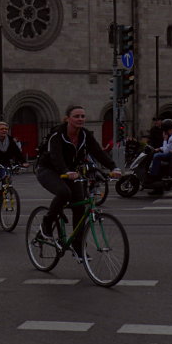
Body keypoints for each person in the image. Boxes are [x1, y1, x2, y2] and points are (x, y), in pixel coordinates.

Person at [35, 104, 119, 257]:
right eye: (76, 116)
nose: (80, 119)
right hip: (48, 170)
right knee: (63, 192)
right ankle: (47, 223)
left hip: (71, 172)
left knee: (80, 205)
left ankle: (77, 245)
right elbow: (56, 157)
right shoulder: (57, 134)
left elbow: (98, 152)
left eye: (82, 116)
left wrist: (113, 167)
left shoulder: (85, 135)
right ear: (67, 119)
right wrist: (66, 171)